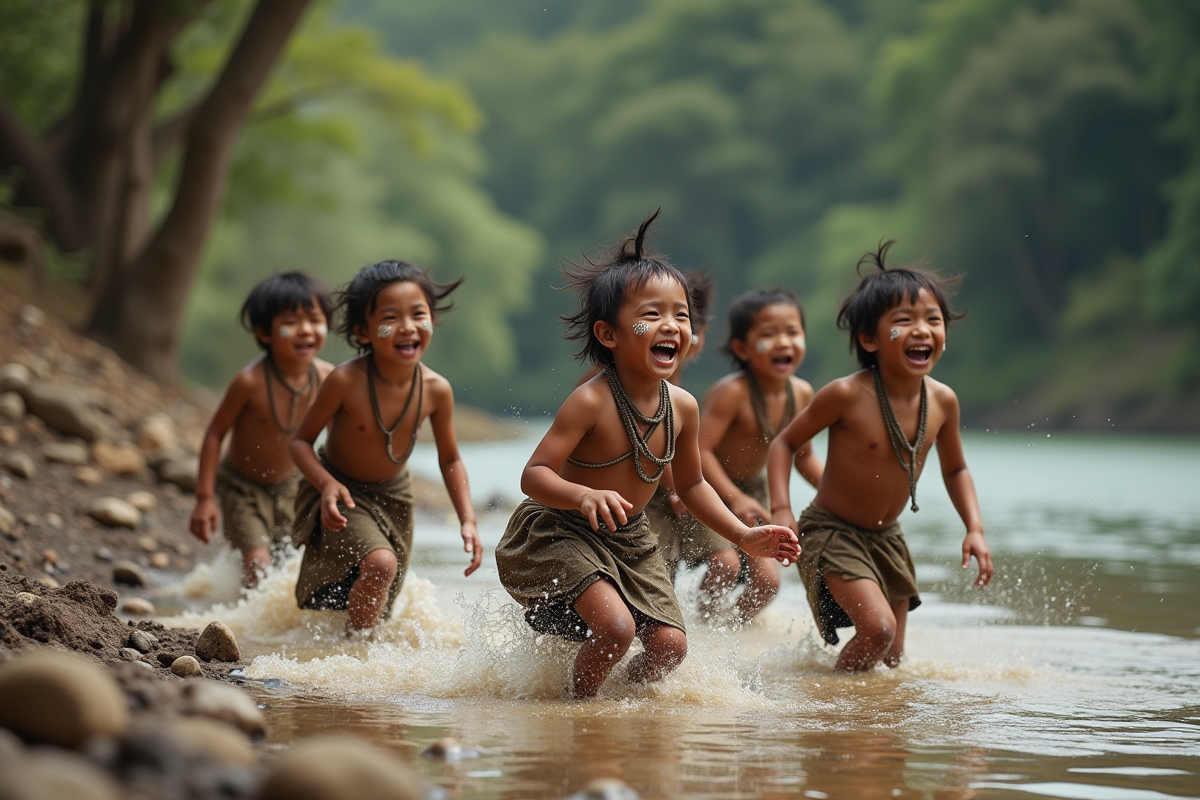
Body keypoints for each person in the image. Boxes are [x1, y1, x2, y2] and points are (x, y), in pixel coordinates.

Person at [495, 211, 800, 698]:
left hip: (633, 538)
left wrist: (744, 535)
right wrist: (581, 496)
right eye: (651, 314)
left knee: (670, 646)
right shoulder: (591, 399)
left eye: (681, 315)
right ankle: (580, 710)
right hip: (563, 529)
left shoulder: (684, 407)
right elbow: (534, 475)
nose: (672, 326)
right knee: (615, 629)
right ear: (608, 335)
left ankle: (622, 701)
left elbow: (694, 484)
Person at [767, 241, 993, 672]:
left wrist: (975, 529)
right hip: (832, 531)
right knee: (878, 630)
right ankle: (832, 708)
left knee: (893, 657)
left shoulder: (943, 401)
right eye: (903, 321)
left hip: (888, 537)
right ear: (870, 338)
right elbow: (784, 444)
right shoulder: (846, 395)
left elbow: (957, 468)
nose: (922, 330)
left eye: (933, 320)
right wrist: (782, 507)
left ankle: (868, 724)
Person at [288, 260, 483, 635]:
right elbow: (299, 442)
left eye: (418, 314)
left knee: (381, 584)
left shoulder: (436, 389)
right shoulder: (345, 380)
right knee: (381, 564)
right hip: (342, 489)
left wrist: (468, 519)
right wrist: (325, 484)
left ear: (432, 321)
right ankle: (357, 652)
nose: (408, 327)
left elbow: (451, 459)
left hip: (395, 497)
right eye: (391, 317)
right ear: (363, 330)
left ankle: (345, 641)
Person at [190, 271, 335, 588]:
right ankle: (246, 627)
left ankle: (264, 615)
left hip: (293, 486)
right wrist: (204, 498)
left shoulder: (329, 379)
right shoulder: (250, 382)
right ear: (264, 331)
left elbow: (345, 431)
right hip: (242, 485)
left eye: (314, 319)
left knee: (289, 563)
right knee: (258, 561)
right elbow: (215, 434)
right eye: (292, 322)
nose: (306, 330)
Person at [695, 288, 823, 624]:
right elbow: (699, 449)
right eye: (769, 334)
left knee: (768, 582)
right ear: (742, 348)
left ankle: (730, 635)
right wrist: (733, 497)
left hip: (755, 491)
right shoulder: (731, 392)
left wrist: (834, 491)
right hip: (712, 489)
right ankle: (704, 626)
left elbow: (805, 456)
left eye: (793, 332)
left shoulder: (802, 393)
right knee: (726, 564)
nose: (784, 342)